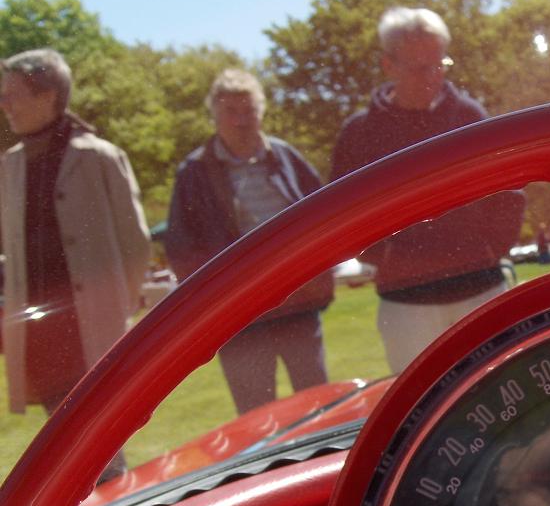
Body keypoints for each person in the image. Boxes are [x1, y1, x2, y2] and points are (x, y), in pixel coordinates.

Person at [330, 7, 524, 374]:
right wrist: (387, 259)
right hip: (405, 304)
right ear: (389, 65)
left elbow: (509, 190)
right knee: (419, 413)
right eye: (419, 68)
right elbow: (341, 218)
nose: (432, 76)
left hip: (480, 291)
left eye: (439, 64)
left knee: (501, 394)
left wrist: (488, 249)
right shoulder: (360, 134)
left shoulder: (469, 116)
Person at [0, 49, 150, 447]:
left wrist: (117, 309)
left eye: (12, 94)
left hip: (92, 331)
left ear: (48, 96)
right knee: (65, 445)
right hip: (39, 338)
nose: (4, 104)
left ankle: (119, 504)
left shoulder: (99, 157)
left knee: (100, 442)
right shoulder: (9, 166)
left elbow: (135, 244)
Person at [164, 69, 332, 414]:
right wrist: (213, 303)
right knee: (256, 416)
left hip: (298, 303)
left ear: (262, 111)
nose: (241, 121)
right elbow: (181, 248)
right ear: (214, 116)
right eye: (231, 112)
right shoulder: (195, 172)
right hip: (240, 315)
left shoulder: (284, 157)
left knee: (321, 405)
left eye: (249, 111)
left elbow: (327, 212)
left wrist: (320, 274)